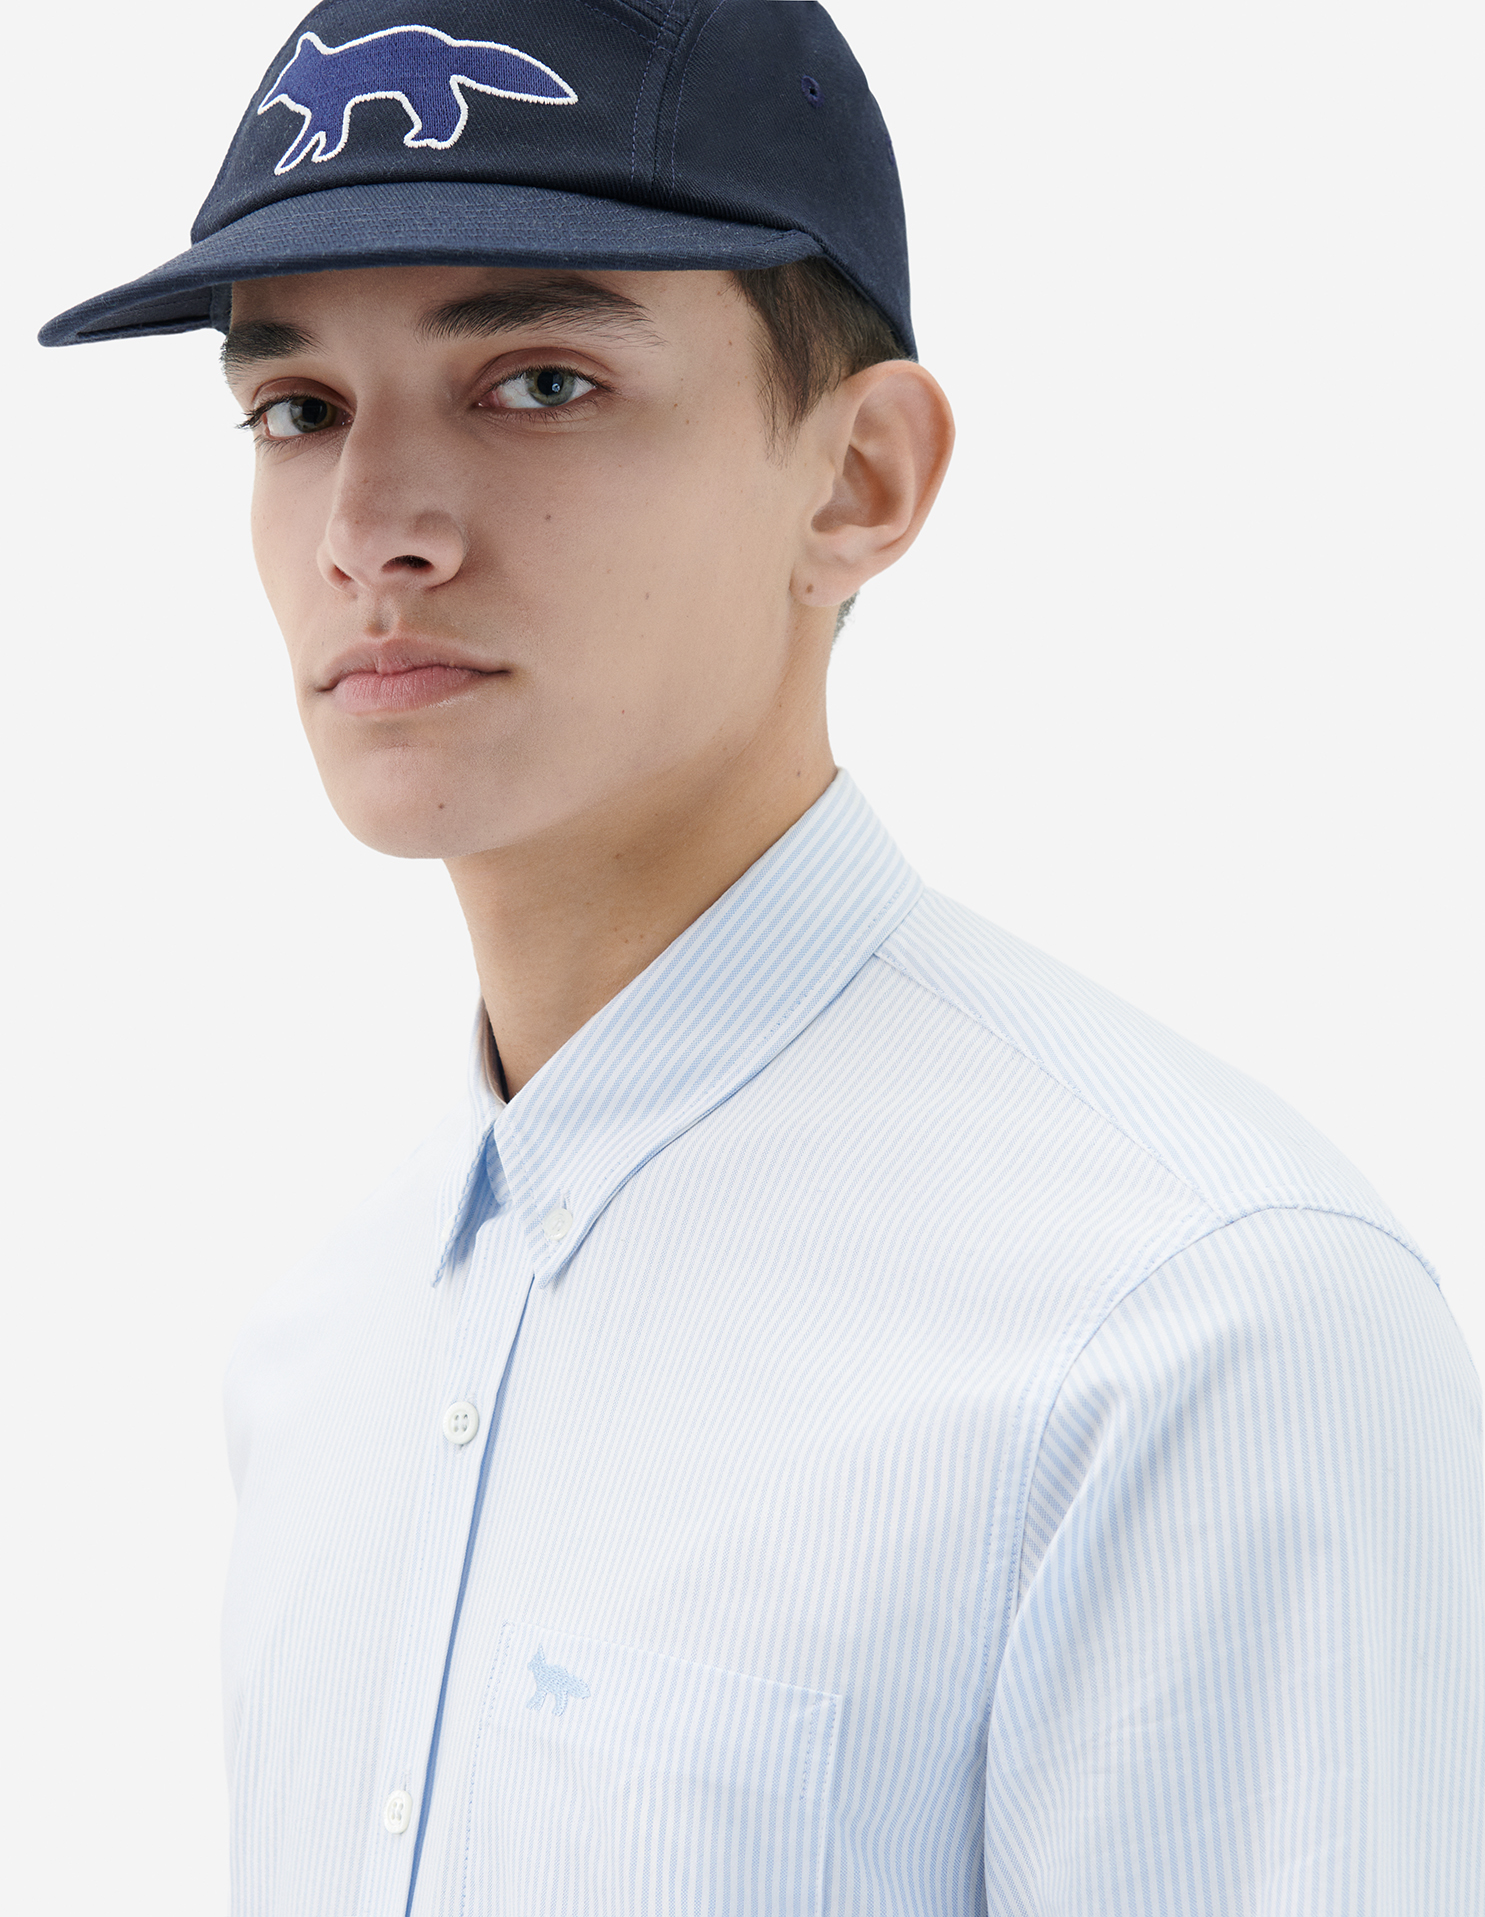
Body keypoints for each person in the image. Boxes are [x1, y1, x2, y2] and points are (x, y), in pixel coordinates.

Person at [41, 2, 1482, 1912]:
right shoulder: (326, 1333)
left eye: (537, 381)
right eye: (296, 409)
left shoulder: (1192, 1325)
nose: (371, 533)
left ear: (858, 478)